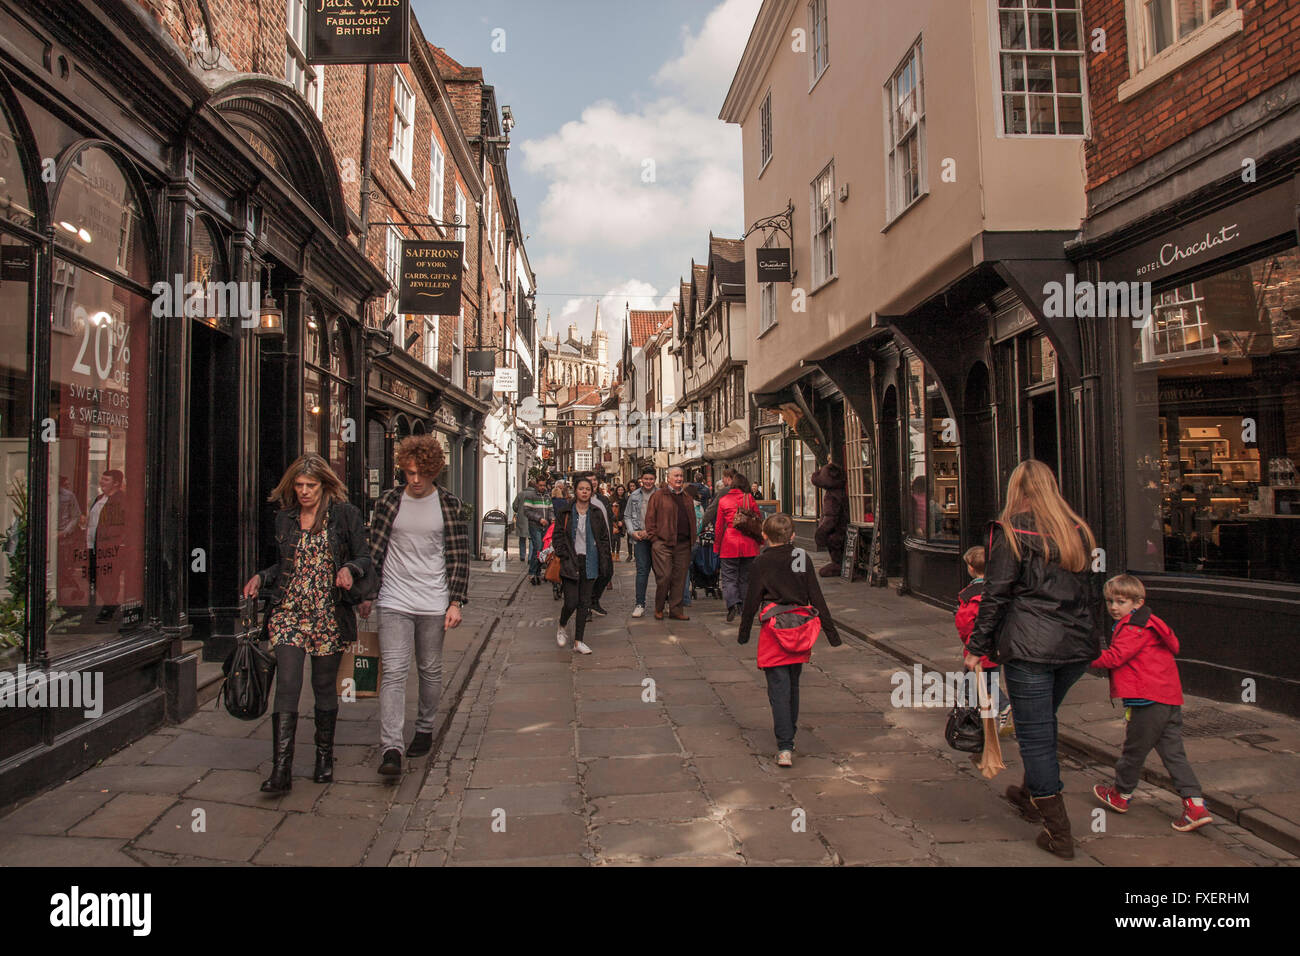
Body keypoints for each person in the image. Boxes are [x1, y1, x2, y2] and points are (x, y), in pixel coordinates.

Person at [964, 459, 1099, 860]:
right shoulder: (1076, 531)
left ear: (1017, 489)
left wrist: (976, 647)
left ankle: (1059, 834)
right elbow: (1087, 589)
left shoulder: (1011, 532)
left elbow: (996, 593)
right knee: (1041, 724)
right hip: (1073, 647)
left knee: (1036, 735)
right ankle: (1028, 794)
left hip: (1030, 647)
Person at [242, 455, 373, 793]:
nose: (303, 491)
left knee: (324, 686)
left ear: (324, 485)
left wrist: (349, 570)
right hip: (288, 611)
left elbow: (363, 557)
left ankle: (323, 758)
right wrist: (261, 576)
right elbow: (283, 565)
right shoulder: (285, 519)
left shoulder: (345, 515)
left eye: (310, 486)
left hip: (328, 612)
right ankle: (281, 769)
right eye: (298, 486)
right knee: (286, 685)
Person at [361, 435, 469, 778]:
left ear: (434, 470)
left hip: (433, 601)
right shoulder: (389, 502)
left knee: (430, 669)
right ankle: (391, 747)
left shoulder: (449, 504)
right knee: (393, 671)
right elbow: (374, 550)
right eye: (409, 473)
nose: (416, 480)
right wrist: (366, 593)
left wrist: (455, 601)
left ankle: (424, 727)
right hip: (393, 599)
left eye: (422, 472)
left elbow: (458, 556)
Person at [1091, 574, 1212, 832]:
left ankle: (1120, 795)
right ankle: (1195, 805)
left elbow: (1115, 658)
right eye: (1110, 601)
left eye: (1120, 601)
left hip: (1147, 700)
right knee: (1173, 753)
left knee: (1133, 751)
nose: (1113, 607)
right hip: (1168, 698)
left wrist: (1081, 657)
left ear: (1137, 602)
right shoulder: (1151, 623)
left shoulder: (1134, 627)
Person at [737, 512, 841, 766]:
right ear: (793, 535)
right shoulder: (800, 556)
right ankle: (789, 736)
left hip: (775, 628)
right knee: (792, 683)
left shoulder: (761, 562)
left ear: (763, 535)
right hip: (800, 627)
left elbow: (751, 600)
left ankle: (785, 746)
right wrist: (831, 633)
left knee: (778, 687)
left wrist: (744, 632)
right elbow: (816, 596)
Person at [550, 476, 612, 655]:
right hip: (571, 560)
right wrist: (563, 553)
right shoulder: (566, 512)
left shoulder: (596, 512)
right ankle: (562, 625)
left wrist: (604, 559)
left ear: (591, 492)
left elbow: (603, 538)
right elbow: (558, 535)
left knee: (584, 603)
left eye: (587, 489)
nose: (584, 491)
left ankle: (579, 641)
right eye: (581, 488)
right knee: (571, 602)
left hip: (590, 561)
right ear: (575, 491)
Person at [954, 545, 1012, 734]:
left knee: (974, 688)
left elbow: (964, 624)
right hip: (997, 649)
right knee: (986, 683)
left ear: (970, 568)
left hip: (978, 651)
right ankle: (981, 721)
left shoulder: (970, 596)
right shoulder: (997, 591)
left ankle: (994, 712)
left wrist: (971, 646)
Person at [644, 466, 695, 620]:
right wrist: (654, 538)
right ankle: (659, 607)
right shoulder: (659, 496)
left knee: (680, 578)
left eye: (681, 476)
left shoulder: (687, 496)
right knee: (665, 576)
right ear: (668, 479)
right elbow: (650, 519)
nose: (679, 479)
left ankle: (676, 610)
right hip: (663, 544)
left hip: (683, 544)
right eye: (676, 476)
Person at [714, 471, 762, 623]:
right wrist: (761, 541)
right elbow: (758, 519)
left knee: (729, 577)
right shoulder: (749, 498)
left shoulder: (723, 500)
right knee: (745, 578)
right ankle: (744, 608)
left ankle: (732, 604)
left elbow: (719, 526)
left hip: (729, 543)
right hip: (749, 544)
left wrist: (716, 547)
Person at [623, 468, 658, 618]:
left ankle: (663, 603)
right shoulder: (634, 496)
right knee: (642, 571)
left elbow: (664, 517)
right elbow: (627, 515)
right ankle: (640, 603)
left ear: (655, 479)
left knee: (661, 572)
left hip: (657, 538)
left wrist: (651, 531)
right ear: (641, 480)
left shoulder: (661, 495)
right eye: (646, 479)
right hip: (640, 538)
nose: (648, 481)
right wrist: (632, 532)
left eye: (651, 479)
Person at [811, 462, 849, 577]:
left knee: (836, 547)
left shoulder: (831, 496)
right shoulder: (840, 492)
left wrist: (821, 533)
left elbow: (830, 517)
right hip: (842, 528)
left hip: (836, 531)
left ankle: (838, 565)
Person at [513, 474, 552, 585]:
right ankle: (532, 572)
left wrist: (552, 518)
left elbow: (551, 509)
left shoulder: (547, 497)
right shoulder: (531, 496)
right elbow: (527, 511)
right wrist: (539, 519)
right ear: (536, 485)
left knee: (542, 550)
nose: (542, 487)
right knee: (538, 547)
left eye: (544, 485)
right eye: (540, 485)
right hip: (535, 525)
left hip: (545, 526)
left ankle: (537, 571)